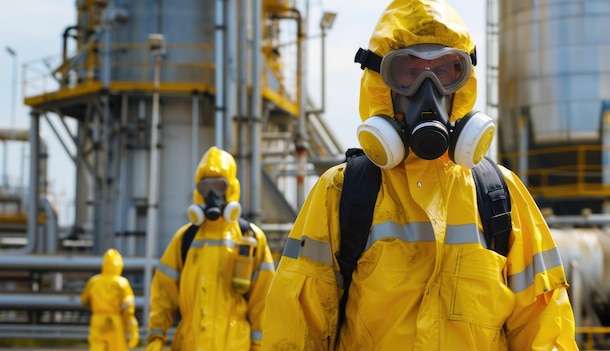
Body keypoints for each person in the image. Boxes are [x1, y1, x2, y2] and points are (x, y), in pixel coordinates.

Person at [261, 0, 578, 350]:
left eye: (444, 71)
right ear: (382, 84)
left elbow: (544, 327)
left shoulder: (499, 194)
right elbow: (296, 328)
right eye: (408, 73)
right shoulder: (342, 192)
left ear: (463, 83)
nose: (428, 90)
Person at [146, 146, 275, 351]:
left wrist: (259, 345)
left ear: (231, 187)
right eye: (205, 187)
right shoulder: (185, 238)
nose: (212, 194)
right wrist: (156, 335)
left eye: (219, 186)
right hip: (190, 343)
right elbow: (163, 292)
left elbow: (264, 301)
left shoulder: (251, 238)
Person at [80, 248, 139, 351]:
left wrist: (98, 307)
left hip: (97, 319)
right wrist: (133, 329)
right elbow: (128, 308)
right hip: (115, 320)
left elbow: (84, 300)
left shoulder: (94, 281)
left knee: (96, 347)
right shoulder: (122, 283)